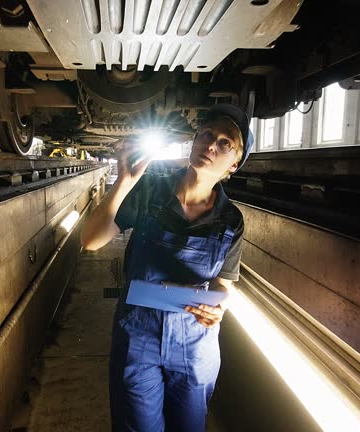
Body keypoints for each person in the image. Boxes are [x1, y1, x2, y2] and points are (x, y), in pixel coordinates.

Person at [81, 104, 254, 432]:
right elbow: (90, 241)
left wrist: (220, 307)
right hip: (138, 340)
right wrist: (123, 183)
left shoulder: (231, 220)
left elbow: (224, 284)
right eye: (206, 134)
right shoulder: (149, 189)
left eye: (225, 143)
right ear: (194, 141)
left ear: (233, 165)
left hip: (194, 345)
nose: (210, 145)